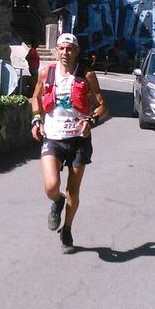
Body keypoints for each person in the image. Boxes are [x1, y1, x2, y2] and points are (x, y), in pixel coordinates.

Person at [30, 32, 107, 252]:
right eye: (62, 48)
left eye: (70, 49)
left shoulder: (87, 75)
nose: (65, 53)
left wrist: (91, 120)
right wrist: (36, 119)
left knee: (74, 191)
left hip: (78, 140)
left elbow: (102, 105)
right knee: (51, 186)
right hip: (53, 137)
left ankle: (67, 229)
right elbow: (36, 97)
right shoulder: (47, 72)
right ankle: (57, 201)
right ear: (56, 50)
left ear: (77, 51)